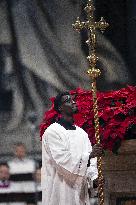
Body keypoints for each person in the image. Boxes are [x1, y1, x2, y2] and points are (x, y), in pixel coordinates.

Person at [42, 92, 103, 205]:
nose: (73, 102)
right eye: (68, 101)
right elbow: (62, 161)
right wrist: (88, 156)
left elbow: (91, 162)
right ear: (60, 108)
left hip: (80, 192)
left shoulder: (81, 133)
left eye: (73, 100)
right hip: (60, 189)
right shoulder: (53, 132)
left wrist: (94, 178)